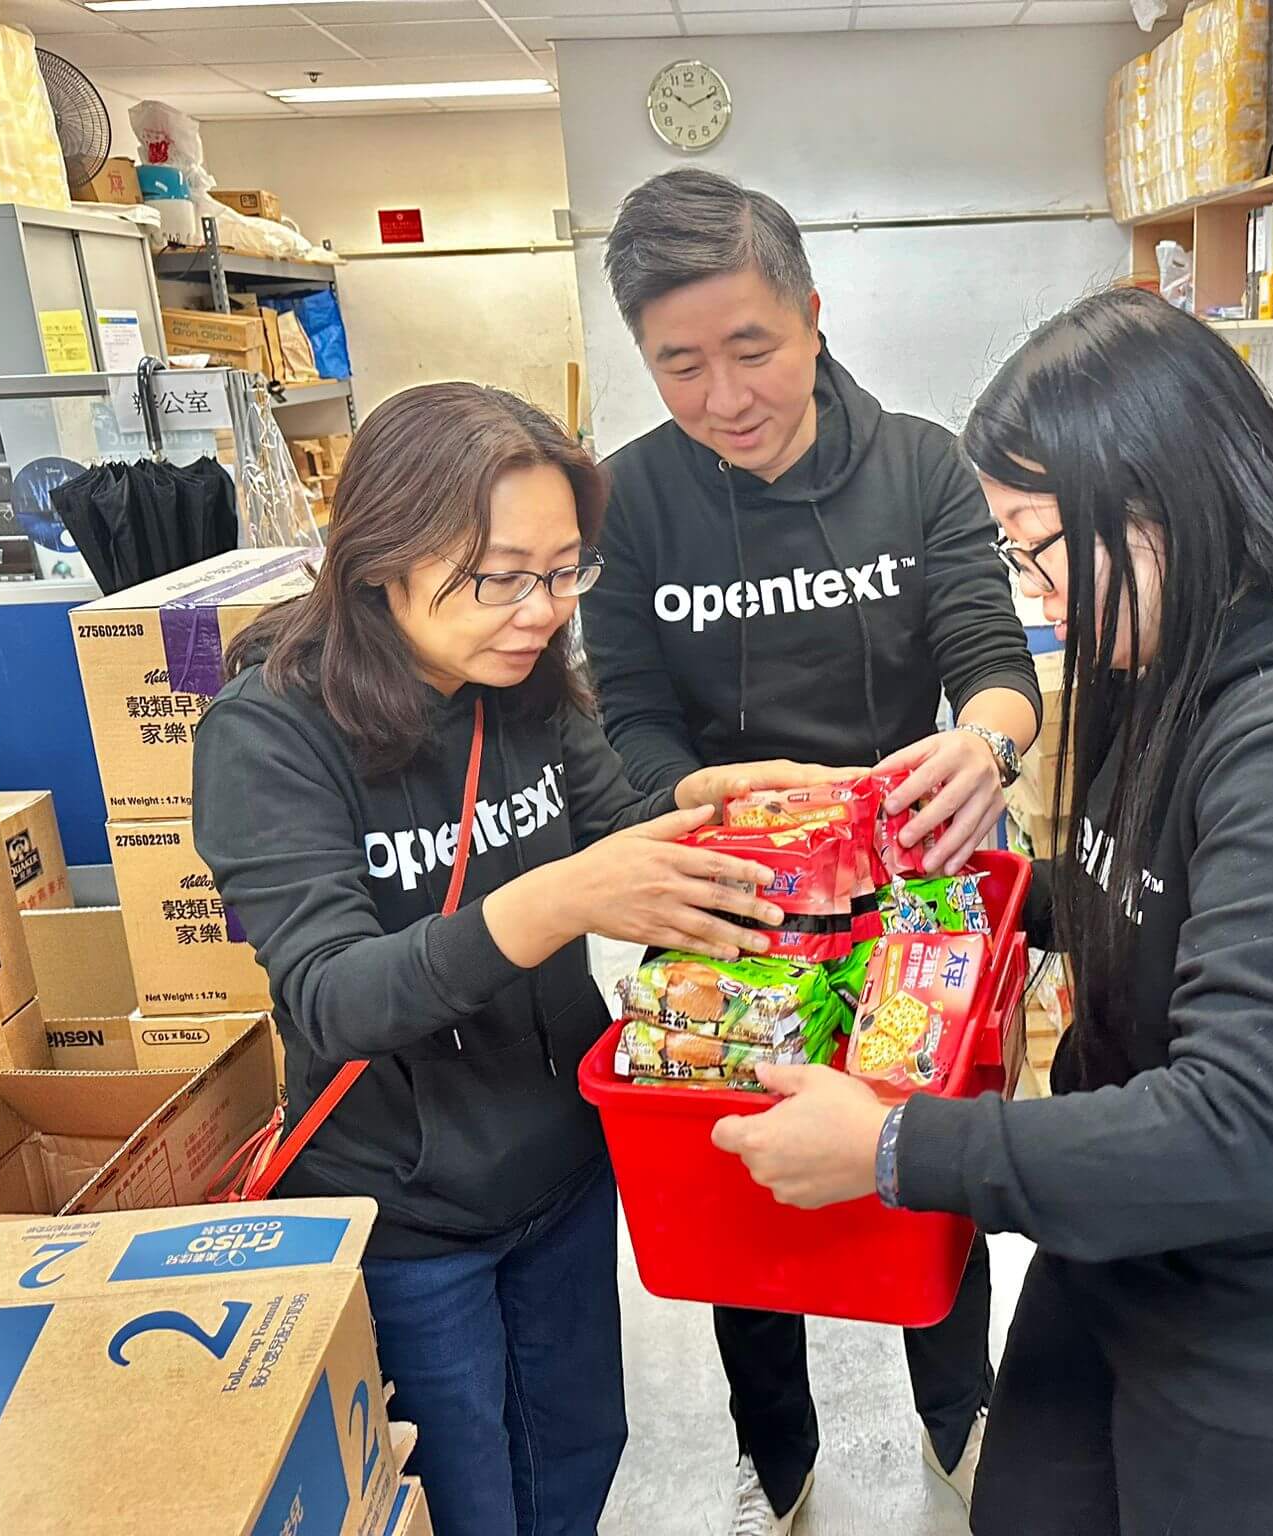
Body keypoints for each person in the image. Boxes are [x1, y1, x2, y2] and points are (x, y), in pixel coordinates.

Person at [710, 288, 1273, 1536]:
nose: (1038, 598)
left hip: (1271, 1340)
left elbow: (1240, 1130)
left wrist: (893, 1149)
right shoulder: (1168, 653)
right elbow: (1144, 896)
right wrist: (944, 900)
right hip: (1125, 1257)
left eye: (1039, 548)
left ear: (1161, 501)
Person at [192, 383, 830, 1536]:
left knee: (578, 1460)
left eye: (563, 572)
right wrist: (553, 901)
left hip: (563, 1176)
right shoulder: (271, 734)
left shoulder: (521, 690)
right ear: (383, 554)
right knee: (468, 1500)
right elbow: (333, 994)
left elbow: (615, 823)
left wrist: (715, 806)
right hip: (406, 1216)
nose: (540, 610)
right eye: (501, 577)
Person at [580, 168, 1043, 1533]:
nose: (724, 396)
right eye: (679, 365)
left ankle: (960, 1428)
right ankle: (775, 1462)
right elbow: (624, 717)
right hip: (725, 903)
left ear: (813, 314)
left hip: (912, 897)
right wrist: (699, 790)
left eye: (752, 349)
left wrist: (986, 747)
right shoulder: (629, 502)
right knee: (740, 1180)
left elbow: (992, 657)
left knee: (922, 1164)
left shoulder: (917, 465)